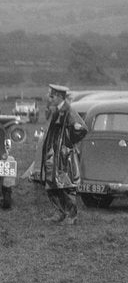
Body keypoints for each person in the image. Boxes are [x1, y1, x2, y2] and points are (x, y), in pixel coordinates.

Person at [40, 83, 88, 224]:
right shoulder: (56, 111)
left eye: (52, 96)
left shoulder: (69, 111)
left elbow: (82, 129)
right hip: (52, 155)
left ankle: (72, 216)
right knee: (52, 185)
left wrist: (69, 143)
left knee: (66, 186)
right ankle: (59, 213)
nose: (50, 98)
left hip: (64, 156)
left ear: (60, 97)